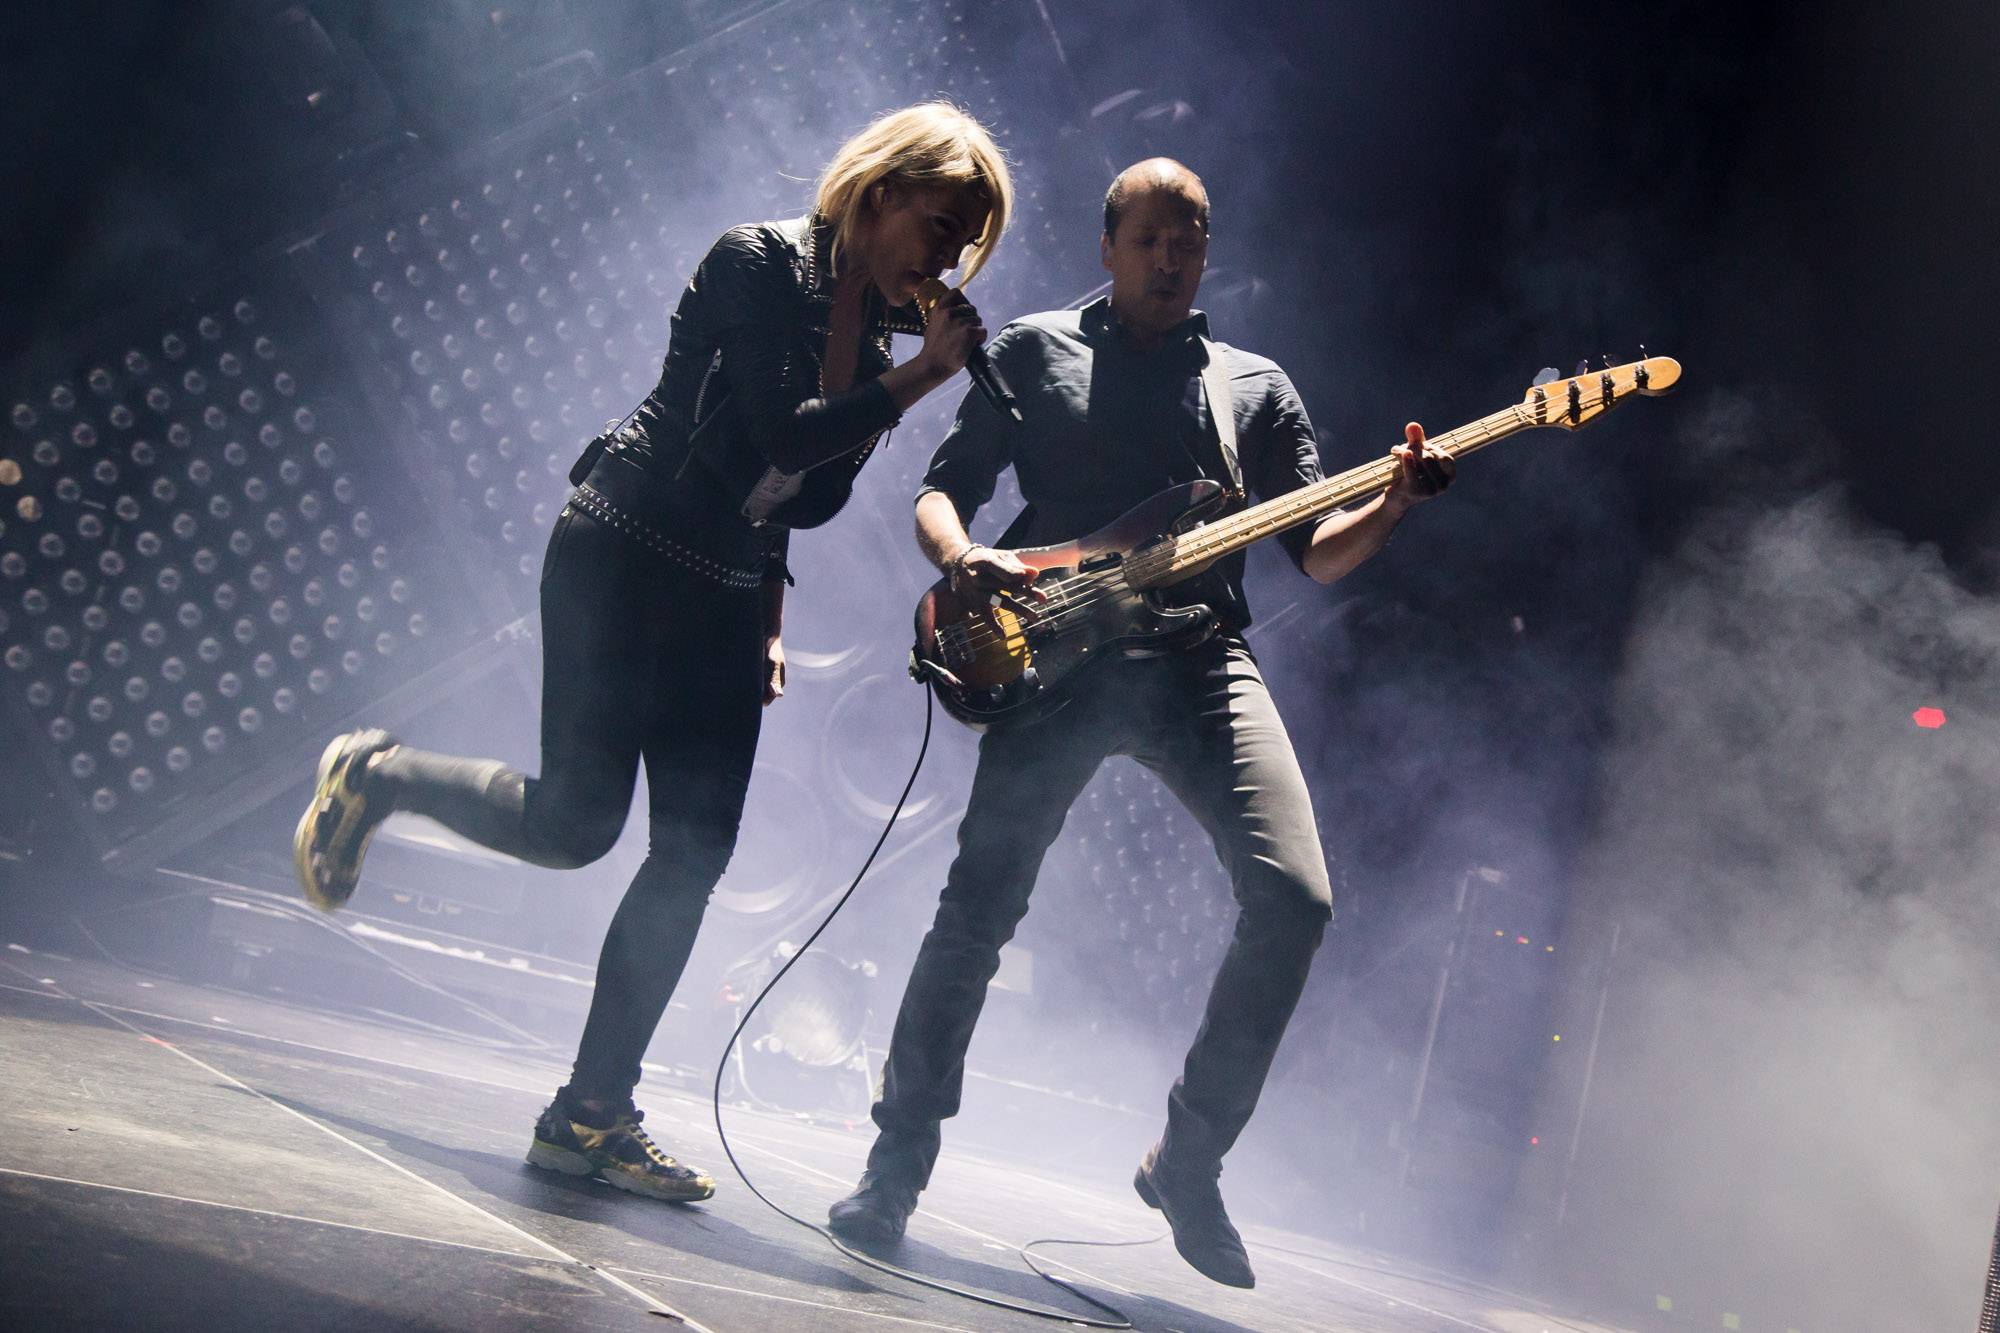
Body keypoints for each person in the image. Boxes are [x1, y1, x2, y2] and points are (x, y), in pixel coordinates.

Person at [292, 102, 1010, 1203]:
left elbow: (799, 500)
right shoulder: (756, 263)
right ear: (877, 193)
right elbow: (773, 432)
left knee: (690, 854)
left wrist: (769, 609)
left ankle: (589, 1111)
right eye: (941, 223)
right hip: (623, 551)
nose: (947, 260)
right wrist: (912, 386)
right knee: (575, 826)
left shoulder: (870, 340)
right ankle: (376, 774)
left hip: (723, 590)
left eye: (965, 243)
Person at [826, 158, 1454, 1286]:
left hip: (1196, 662)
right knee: (975, 913)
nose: (1172, 257)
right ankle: (894, 1165)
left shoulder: (1252, 388)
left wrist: (1394, 502)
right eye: (1152, 238)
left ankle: (1189, 1155)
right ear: (1108, 247)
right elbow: (940, 489)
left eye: (1192, 239)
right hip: (1053, 659)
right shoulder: (1027, 351)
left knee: (1295, 899)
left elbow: (1316, 552)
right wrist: (961, 559)